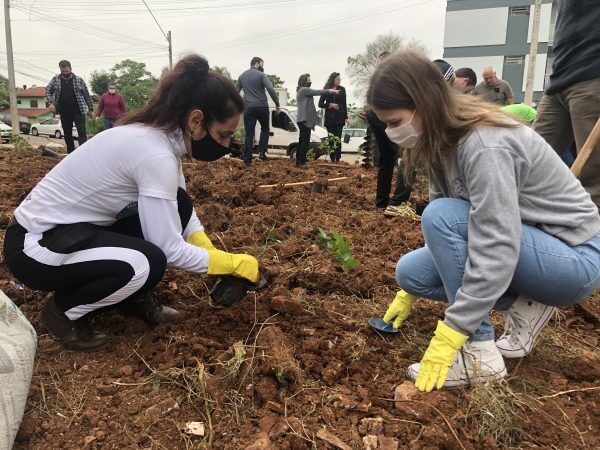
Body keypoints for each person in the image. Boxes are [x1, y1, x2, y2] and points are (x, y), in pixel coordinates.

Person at [368, 51, 600, 392]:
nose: (392, 133)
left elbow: (494, 240)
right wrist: (410, 292)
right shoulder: (440, 144)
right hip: (529, 246)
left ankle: (480, 357)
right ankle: (525, 302)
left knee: (441, 217)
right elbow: (451, 237)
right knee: (411, 272)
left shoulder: (483, 144)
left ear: (425, 104)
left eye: (394, 122)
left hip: (572, 261)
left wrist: (456, 330)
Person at [4, 55, 260, 352]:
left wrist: (211, 250)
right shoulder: (155, 154)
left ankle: (129, 296)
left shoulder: (162, 141)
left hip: (73, 230)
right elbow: (168, 249)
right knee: (147, 262)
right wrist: (229, 263)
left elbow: (182, 211)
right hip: (35, 247)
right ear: (196, 120)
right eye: (223, 135)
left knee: (178, 204)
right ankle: (63, 312)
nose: (226, 147)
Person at [533, 0, 600, 210]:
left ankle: (589, 239)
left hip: (592, 76)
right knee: (529, 161)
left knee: (592, 177)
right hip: (559, 78)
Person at [236, 57, 280, 165]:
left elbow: (235, 92)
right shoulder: (261, 75)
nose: (263, 67)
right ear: (257, 63)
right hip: (262, 107)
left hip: (248, 108)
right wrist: (277, 104)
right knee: (265, 129)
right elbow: (270, 89)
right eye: (262, 64)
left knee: (248, 134)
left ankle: (247, 160)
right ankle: (262, 152)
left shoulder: (242, 76)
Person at [45, 60, 93, 153]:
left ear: (71, 69)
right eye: (63, 72)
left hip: (79, 111)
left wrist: (91, 109)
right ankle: (71, 154)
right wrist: (50, 103)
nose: (66, 73)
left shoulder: (79, 80)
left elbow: (87, 95)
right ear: (60, 70)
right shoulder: (56, 79)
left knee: (82, 133)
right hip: (64, 112)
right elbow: (47, 90)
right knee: (67, 134)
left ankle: (83, 153)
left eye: (67, 71)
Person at [295, 74, 338, 166]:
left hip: (302, 119)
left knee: (302, 140)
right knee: (305, 141)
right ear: (304, 81)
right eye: (308, 80)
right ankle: (301, 161)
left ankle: (299, 160)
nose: (310, 81)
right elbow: (318, 92)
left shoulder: (302, 90)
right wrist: (331, 91)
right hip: (304, 120)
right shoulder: (304, 90)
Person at [318, 72, 348, 162]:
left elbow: (344, 104)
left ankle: (338, 158)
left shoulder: (342, 89)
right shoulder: (326, 90)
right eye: (338, 79)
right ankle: (332, 158)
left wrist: (346, 117)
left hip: (340, 118)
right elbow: (320, 104)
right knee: (331, 139)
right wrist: (330, 105)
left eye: (340, 79)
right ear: (333, 80)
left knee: (338, 138)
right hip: (329, 119)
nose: (339, 81)